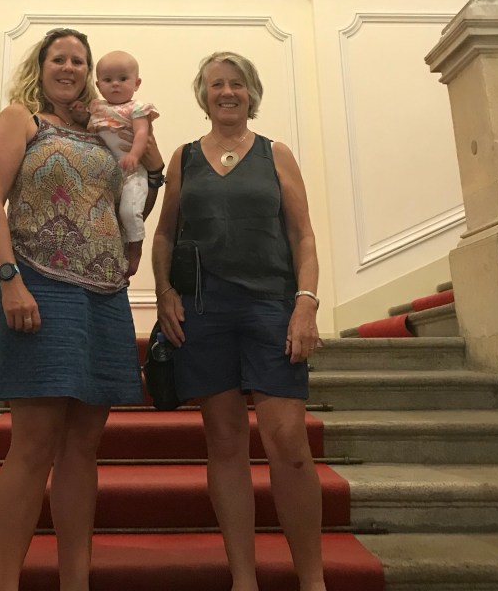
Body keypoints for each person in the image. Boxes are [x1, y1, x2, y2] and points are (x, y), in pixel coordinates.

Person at [0, 27, 164, 591]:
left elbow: (132, 197)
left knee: (83, 448)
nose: (70, 67)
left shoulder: (103, 129)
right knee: (33, 446)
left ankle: (75, 582)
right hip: (39, 287)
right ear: (41, 65)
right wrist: (9, 280)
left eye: (79, 60)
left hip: (104, 295)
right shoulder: (21, 120)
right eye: (59, 58)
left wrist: (152, 167)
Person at [152, 51, 327, 591]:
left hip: (271, 307)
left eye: (236, 84)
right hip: (204, 312)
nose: (226, 92)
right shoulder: (184, 157)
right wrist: (163, 292)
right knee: (225, 442)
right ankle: (243, 578)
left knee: (287, 443)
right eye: (215, 84)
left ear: (251, 93)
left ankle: (313, 579)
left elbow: (303, 235)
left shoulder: (276, 153)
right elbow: (165, 234)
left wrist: (305, 302)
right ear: (203, 95)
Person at [86, 50, 160, 278]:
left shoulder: (137, 108)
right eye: (108, 80)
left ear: (137, 83)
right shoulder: (96, 107)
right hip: (104, 174)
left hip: (132, 171)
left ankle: (135, 247)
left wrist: (135, 155)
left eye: (123, 79)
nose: (115, 84)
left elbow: (141, 134)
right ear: (98, 85)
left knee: (130, 210)